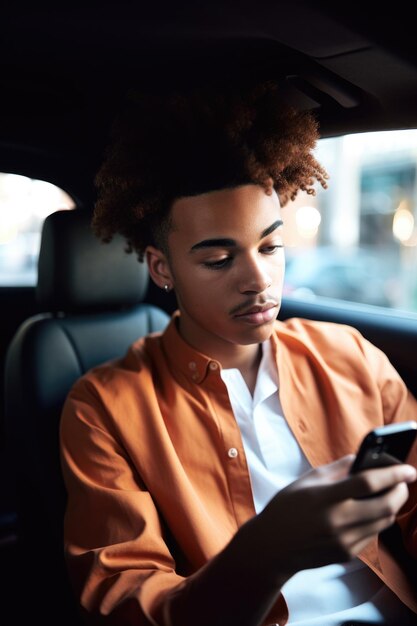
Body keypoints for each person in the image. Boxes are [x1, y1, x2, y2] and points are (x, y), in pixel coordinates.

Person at [60, 81, 417, 626]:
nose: (259, 279)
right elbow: (129, 600)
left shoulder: (349, 355)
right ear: (162, 268)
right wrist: (266, 552)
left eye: (270, 247)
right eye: (219, 259)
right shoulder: (104, 407)